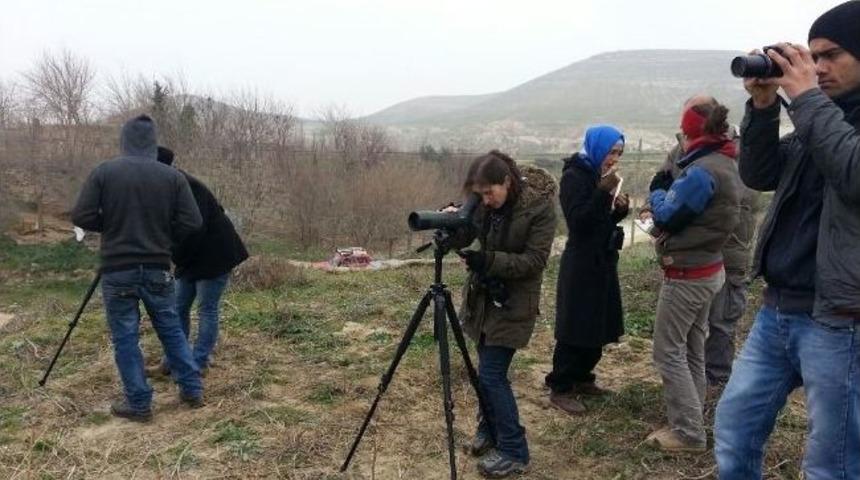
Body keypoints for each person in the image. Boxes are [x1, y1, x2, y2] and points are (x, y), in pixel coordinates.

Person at [715, 2, 860, 477]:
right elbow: (759, 173)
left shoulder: (823, 115)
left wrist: (806, 99)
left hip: (841, 321)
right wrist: (762, 106)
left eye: (831, 55)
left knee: (832, 463)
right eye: (811, 56)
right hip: (778, 311)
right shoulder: (822, 118)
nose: (818, 68)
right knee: (734, 431)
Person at [71, 115, 204, 422]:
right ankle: (192, 388)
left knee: (125, 336)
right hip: (158, 266)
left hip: (118, 268)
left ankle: (139, 403)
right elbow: (193, 222)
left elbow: (82, 215)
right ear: (152, 143)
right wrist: (165, 238)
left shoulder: (105, 172)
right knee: (171, 329)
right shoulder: (172, 177)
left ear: (125, 140)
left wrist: (111, 225)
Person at [644, 96, 741, 452]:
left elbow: (668, 215)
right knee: (692, 348)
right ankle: (691, 418)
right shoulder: (724, 160)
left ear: (690, 134)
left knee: (667, 351)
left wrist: (656, 191)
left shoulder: (702, 171)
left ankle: (687, 433)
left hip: (688, 274)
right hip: (709, 267)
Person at [453, 151, 556, 478]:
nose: (485, 200)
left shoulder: (539, 209)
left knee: (492, 374)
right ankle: (490, 429)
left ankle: (514, 450)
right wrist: (456, 221)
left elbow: (535, 261)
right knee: (486, 370)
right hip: (483, 301)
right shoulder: (486, 204)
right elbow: (469, 235)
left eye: (489, 193)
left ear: (507, 182)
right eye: (479, 194)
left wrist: (490, 260)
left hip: (513, 304)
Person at [647, 127, 760, 387]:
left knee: (721, 322)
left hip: (729, 252)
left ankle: (715, 383)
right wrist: (653, 207)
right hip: (691, 254)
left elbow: (736, 197)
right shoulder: (682, 148)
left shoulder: (740, 154)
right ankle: (692, 383)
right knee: (690, 331)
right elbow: (664, 179)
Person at [545, 125, 629, 416]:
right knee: (576, 325)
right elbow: (579, 222)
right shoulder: (574, 177)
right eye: (610, 152)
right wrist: (602, 193)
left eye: (618, 153)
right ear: (596, 148)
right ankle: (561, 385)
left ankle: (582, 377)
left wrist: (619, 209)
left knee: (597, 322)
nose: (613, 158)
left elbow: (600, 220)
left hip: (602, 261)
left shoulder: (598, 176)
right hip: (581, 262)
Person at [155, 147, 249, 375]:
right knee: (178, 307)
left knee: (206, 309)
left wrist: (175, 257)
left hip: (215, 254)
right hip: (191, 256)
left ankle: (199, 361)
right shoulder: (164, 187)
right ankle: (173, 360)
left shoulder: (184, 186)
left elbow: (194, 229)